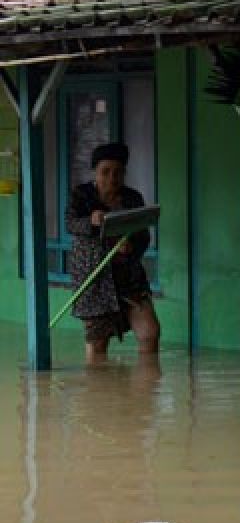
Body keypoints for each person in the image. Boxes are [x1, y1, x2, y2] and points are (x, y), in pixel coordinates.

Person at [65, 142, 160, 363]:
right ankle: (98, 393)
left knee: (150, 333)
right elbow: (70, 224)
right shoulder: (81, 195)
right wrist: (91, 220)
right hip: (95, 280)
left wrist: (132, 247)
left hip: (129, 279)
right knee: (98, 345)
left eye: (118, 172)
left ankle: (144, 390)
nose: (111, 178)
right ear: (94, 172)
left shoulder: (132, 198)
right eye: (105, 172)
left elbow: (143, 236)